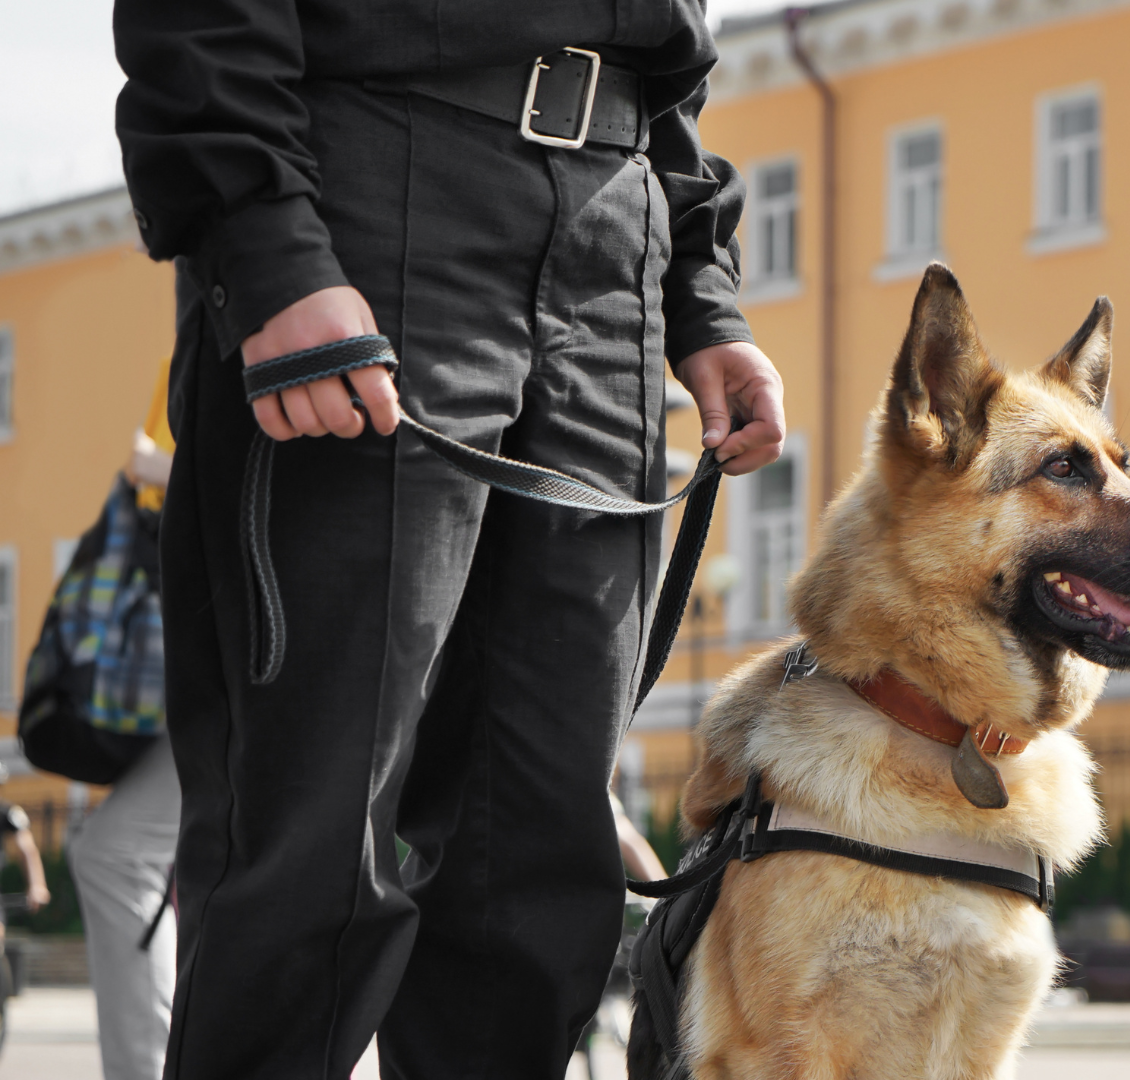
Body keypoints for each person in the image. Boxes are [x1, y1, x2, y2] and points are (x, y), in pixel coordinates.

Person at [114, 1, 785, 1075]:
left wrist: (700, 291)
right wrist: (267, 239)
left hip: (617, 226)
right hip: (366, 188)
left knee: (537, 843)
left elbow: (677, 66)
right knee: (317, 838)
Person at [67, 370, 183, 1080]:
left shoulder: (249, 284)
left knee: (114, 855)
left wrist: (151, 467)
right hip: (226, 643)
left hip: (257, 644)